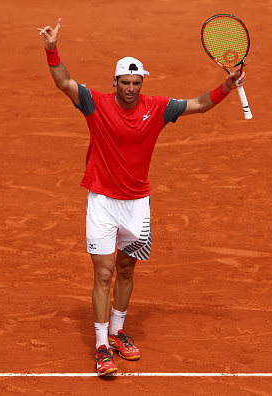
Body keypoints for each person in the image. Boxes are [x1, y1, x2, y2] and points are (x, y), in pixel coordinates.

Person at [37, 18, 246, 376]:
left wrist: (225, 86)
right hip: (102, 201)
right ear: (114, 82)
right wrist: (52, 49)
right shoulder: (95, 103)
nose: (131, 88)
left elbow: (198, 104)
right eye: (125, 82)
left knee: (126, 269)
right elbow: (64, 82)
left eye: (136, 82)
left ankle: (118, 333)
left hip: (137, 204)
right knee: (103, 274)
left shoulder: (158, 108)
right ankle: (102, 346)